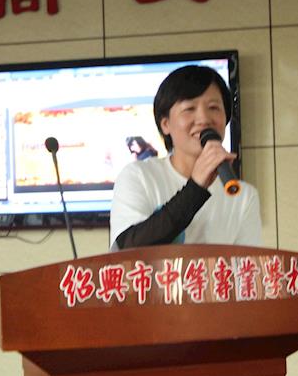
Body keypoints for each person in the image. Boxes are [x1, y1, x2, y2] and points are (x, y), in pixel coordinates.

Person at [109, 65, 262, 250]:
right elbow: (126, 249)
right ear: (165, 124)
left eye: (214, 107)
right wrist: (196, 188)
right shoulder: (138, 176)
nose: (204, 119)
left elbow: (248, 265)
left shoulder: (243, 196)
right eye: (189, 108)